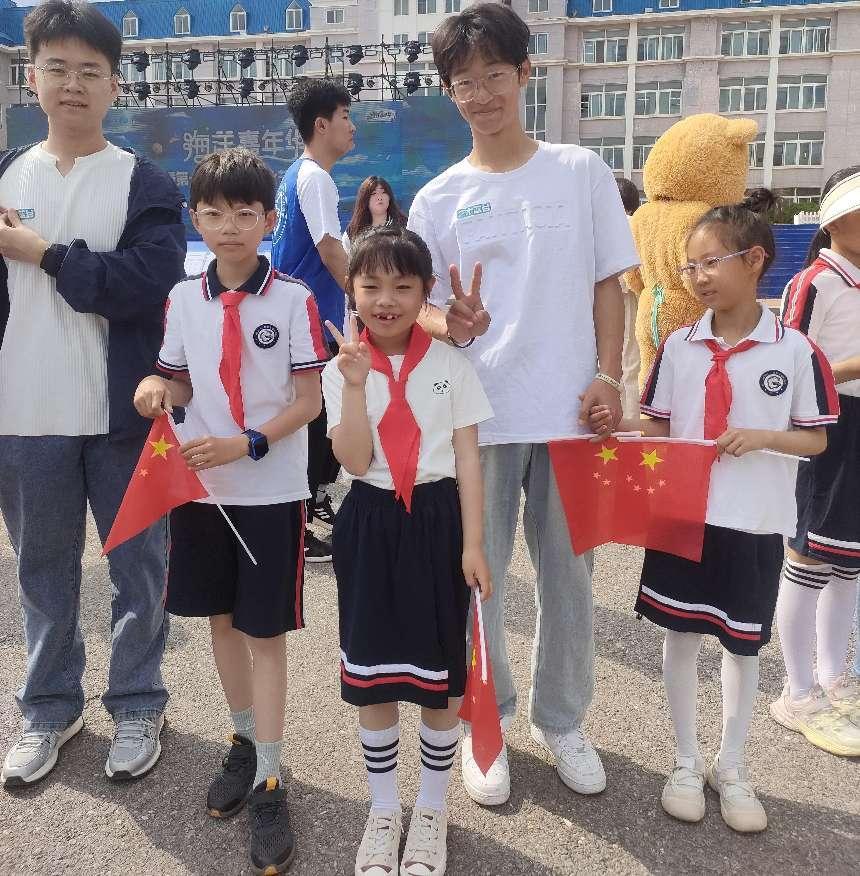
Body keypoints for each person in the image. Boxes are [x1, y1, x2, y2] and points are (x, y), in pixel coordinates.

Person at [407, 2, 638, 805]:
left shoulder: (579, 171)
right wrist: (450, 322)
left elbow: (609, 283)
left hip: (573, 413)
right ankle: (490, 720)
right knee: (482, 577)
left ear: (525, 74)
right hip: (481, 414)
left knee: (570, 580)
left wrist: (609, 376)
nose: (481, 95)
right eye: (463, 83)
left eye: (494, 76)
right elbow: (420, 305)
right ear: (449, 92)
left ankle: (562, 719)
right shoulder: (439, 197)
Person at [591, 199, 838, 832]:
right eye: (689, 266)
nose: (698, 276)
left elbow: (815, 439)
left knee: (741, 645)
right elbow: (660, 427)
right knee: (678, 637)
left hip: (754, 520)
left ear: (755, 260)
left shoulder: (795, 351)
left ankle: (733, 766)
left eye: (710, 262)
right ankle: (684, 760)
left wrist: (764, 437)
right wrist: (616, 425)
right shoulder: (679, 346)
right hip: (683, 515)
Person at [0, 0, 186, 788]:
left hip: (124, 416)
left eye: (90, 71)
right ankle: (49, 707)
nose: (72, 84)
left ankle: (138, 702)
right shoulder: (7, 175)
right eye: (57, 68)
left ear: (115, 85)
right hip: (22, 411)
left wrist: (46, 255)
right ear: (33, 77)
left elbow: (148, 282)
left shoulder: (143, 182)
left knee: (138, 570)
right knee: (42, 571)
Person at [133, 148, 328, 874]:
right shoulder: (184, 298)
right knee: (220, 621)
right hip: (204, 490)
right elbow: (179, 381)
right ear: (196, 219)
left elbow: (309, 402)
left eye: (245, 213)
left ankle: (272, 775)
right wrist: (156, 390)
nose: (229, 227)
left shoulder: (294, 299)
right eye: (214, 214)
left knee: (264, 632)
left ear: (269, 220)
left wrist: (247, 443)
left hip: (269, 490)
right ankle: (243, 740)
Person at [322, 226, 494, 876]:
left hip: (439, 520)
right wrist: (356, 386)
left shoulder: (452, 365)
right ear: (352, 291)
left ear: (427, 293)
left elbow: (470, 460)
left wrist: (473, 544)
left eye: (403, 285)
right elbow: (352, 459)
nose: (386, 300)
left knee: (438, 675)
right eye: (371, 286)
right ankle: (383, 808)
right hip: (370, 520)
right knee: (374, 670)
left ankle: (431, 809)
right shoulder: (342, 368)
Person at [771, 166, 860, 756]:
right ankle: (797, 691)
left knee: (850, 561)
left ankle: (835, 680)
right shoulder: (815, 282)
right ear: (835, 220)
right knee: (809, 553)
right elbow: (789, 366)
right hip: (830, 425)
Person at [272, 78, 355, 563]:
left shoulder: (296, 176)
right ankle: (298, 525)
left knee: (315, 421)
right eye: (345, 117)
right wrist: (367, 302)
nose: (351, 127)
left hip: (302, 320)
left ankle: (308, 509)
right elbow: (328, 248)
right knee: (312, 422)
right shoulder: (316, 178)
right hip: (311, 323)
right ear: (321, 125)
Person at [616, 177, 642, 418]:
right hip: (631, 296)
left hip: (600, 298)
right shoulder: (635, 223)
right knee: (631, 361)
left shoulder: (599, 223)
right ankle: (630, 420)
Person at [342, 175, 407, 254]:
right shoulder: (353, 230)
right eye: (374, 193)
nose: (379, 197)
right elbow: (345, 258)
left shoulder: (404, 225)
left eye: (383, 192)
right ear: (365, 199)